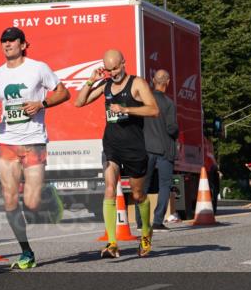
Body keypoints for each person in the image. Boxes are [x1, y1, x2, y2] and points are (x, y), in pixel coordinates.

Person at [0, 27, 70, 269]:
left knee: (32, 204)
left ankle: (48, 193)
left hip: (33, 141)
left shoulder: (38, 68)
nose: (7, 44)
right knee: (10, 200)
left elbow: (63, 93)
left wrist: (41, 103)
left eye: (12, 41)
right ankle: (26, 252)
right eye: (4, 41)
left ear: (23, 44)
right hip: (7, 142)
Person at [75, 49, 159, 258]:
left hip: (134, 147)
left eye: (116, 68)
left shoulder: (137, 83)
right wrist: (90, 81)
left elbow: (153, 110)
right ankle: (112, 243)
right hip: (111, 145)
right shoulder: (105, 85)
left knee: (138, 195)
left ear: (124, 62)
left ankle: (146, 233)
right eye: (108, 69)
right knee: (110, 189)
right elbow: (79, 102)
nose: (113, 73)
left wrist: (126, 109)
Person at [143, 70, 178, 230]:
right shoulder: (169, 103)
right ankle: (157, 221)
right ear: (168, 82)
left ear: (153, 81)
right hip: (164, 149)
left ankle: (140, 221)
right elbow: (172, 129)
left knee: (143, 184)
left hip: (146, 148)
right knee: (164, 185)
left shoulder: (145, 100)